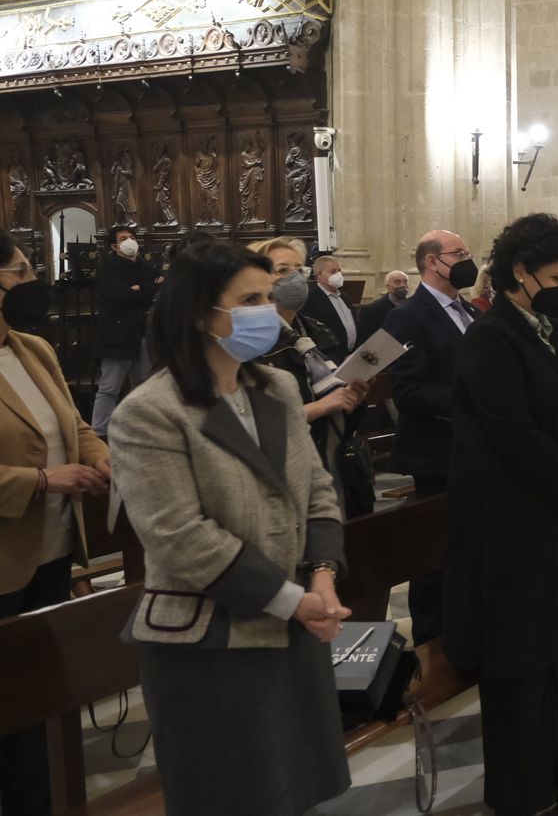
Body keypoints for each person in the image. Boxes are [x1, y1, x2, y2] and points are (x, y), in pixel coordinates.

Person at [108, 241, 351, 815]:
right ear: (199, 313)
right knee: (231, 793)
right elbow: (179, 536)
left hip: (292, 625)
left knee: (296, 789)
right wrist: (291, 599)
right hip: (211, 643)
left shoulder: (277, 388)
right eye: (249, 300)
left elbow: (315, 489)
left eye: (268, 298)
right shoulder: (150, 411)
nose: (265, 311)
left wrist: (323, 577)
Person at [446, 213, 558, 816]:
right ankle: (518, 796)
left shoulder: (552, 332)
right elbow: (511, 431)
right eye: (557, 276)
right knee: (518, 668)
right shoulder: (490, 338)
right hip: (510, 528)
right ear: (520, 272)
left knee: (554, 656)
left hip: (553, 521)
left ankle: (552, 782)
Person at [0, 234, 111, 816]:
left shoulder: (33, 348)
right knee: (8, 701)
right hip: (3, 558)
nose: (31, 283)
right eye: (18, 274)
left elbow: (73, 423)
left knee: (42, 694)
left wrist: (99, 457)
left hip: (54, 548)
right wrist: (44, 481)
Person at [386, 229, 478, 646]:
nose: (465, 259)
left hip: (476, 449)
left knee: (472, 551)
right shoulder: (405, 316)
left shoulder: (471, 311)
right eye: (458, 253)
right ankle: (432, 640)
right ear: (431, 262)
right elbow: (408, 391)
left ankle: (467, 627)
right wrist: (473, 399)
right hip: (437, 451)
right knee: (435, 554)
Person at [247, 238, 370, 517]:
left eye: (298, 269)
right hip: (282, 473)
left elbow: (338, 397)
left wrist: (353, 393)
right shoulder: (249, 339)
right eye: (281, 270)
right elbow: (252, 421)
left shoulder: (315, 331)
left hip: (332, 460)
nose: (294, 278)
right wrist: (323, 406)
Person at [91, 226, 158, 436]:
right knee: (109, 388)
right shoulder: (108, 267)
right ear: (114, 246)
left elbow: (158, 286)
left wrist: (140, 289)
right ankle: (100, 433)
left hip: (142, 332)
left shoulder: (144, 265)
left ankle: (141, 429)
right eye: (123, 238)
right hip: (116, 335)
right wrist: (143, 290)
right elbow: (121, 296)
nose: (129, 241)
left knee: (144, 386)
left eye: (132, 237)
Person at [304, 254, 357, 360]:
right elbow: (314, 334)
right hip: (331, 358)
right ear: (319, 274)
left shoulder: (344, 297)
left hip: (352, 355)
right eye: (333, 271)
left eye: (339, 271)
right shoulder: (311, 299)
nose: (338, 275)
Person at [355, 270, 410, 346]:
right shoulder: (372, 310)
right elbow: (365, 341)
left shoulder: (411, 307)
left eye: (405, 282)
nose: (403, 285)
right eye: (397, 282)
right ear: (388, 287)